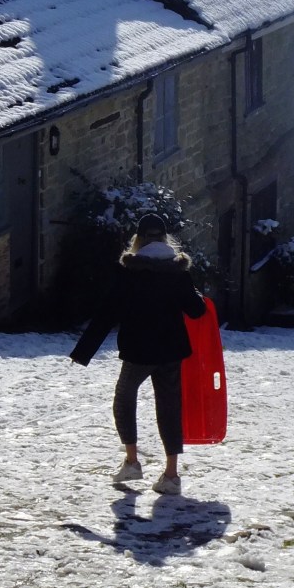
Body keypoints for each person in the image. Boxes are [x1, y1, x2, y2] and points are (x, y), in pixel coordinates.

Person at [70, 212, 207, 495]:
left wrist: (83, 352)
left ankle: (132, 462)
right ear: (166, 238)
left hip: (139, 350)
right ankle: (171, 475)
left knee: (124, 398)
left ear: (139, 239)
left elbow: (107, 313)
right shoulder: (177, 271)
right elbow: (196, 311)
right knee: (169, 407)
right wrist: (193, 292)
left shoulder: (129, 271)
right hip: (171, 350)